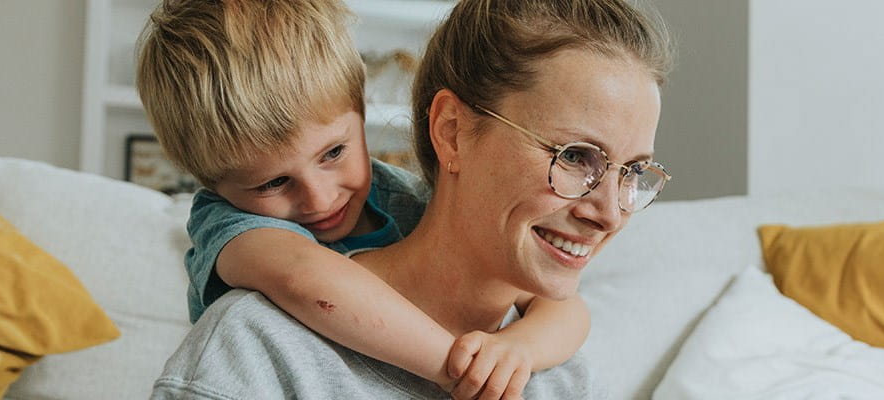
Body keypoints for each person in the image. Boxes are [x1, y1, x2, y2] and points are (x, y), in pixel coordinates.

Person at [152, 0, 674, 398]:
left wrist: (512, 353)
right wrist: (460, 370)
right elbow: (302, 278)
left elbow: (569, 313)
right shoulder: (253, 344)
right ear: (451, 133)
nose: (610, 214)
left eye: (632, 172)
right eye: (576, 156)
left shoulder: (555, 368)